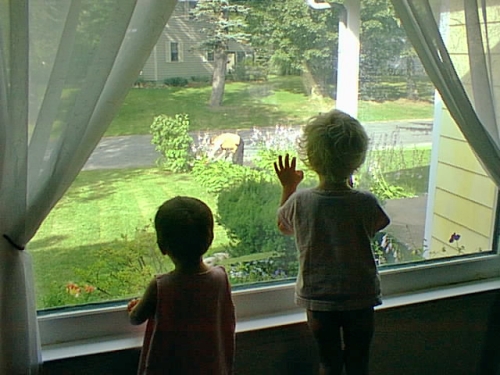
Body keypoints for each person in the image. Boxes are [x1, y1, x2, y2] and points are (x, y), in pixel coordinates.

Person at [274, 109, 390, 375]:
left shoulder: (301, 202)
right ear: (357, 160)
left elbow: (284, 226)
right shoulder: (365, 202)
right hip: (361, 296)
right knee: (359, 362)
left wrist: (289, 186)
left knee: (328, 362)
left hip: (318, 297)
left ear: (311, 159)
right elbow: (377, 225)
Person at [127, 196, 235, 375]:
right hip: (210, 367)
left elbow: (136, 318)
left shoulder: (162, 286)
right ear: (210, 239)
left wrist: (134, 307)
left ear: (162, 246)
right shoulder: (220, 278)